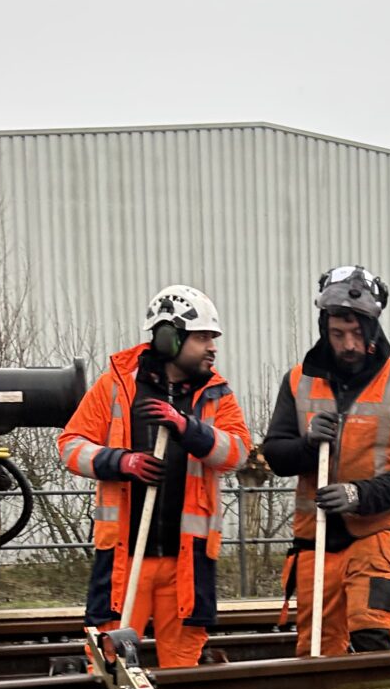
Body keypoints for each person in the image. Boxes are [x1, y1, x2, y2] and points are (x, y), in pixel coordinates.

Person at [260, 264, 390, 689]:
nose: (349, 344)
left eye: (356, 332)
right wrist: (303, 444)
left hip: (378, 531)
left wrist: (360, 494)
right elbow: (274, 453)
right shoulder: (297, 382)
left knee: (373, 625)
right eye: (339, 333)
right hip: (315, 537)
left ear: (373, 329)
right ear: (325, 329)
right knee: (317, 646)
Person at [59, 285, 250, 665]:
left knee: (183, 655)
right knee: (109, 654)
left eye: (213, 338)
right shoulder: (117, 384)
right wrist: (121, 462)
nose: (212, 347)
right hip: (123, 555)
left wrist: (187, 427)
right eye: (202, 338)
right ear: (169, 337)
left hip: (186, 556)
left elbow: (238, 452)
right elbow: (70, 445)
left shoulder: (216, 394)